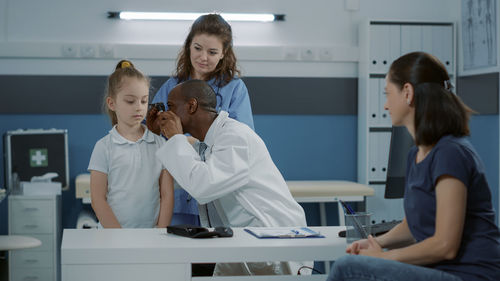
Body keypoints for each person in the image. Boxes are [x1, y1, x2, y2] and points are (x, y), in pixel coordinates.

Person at [328, 52, 500, 281]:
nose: (386, 104)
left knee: (347, 268)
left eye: (388, 94)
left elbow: (445, 245)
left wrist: (382, 258)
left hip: (470, 274)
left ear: (407, 93)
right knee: (352, 265)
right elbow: (412, 227)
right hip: (439, 270)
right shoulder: (415, 156)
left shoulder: (451, 153)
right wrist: (374, 243)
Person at [152, 79, 309, 276]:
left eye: (171, 107)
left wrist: (175, 138)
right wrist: (157, 135)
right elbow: (182, 173)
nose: (167, 114)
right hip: (244, 241)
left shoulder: (235, 136)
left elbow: (203, 187)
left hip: (271, 239)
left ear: (191, 106)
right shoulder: (208, 143)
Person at [147, 13, 254, 226]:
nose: (203, 57)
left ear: (224, 53)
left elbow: (242, 139)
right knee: (179, 252)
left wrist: (188, 141)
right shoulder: (171, 86)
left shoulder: (234, 89)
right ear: (188, 46)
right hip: (176, 191)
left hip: (218, 192)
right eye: (197, 48)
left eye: (212, 52)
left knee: (214, 255)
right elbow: (152, 131)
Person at [88, 60, 174, 228]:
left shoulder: (160, 145)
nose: (139, 108)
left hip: (151, 238)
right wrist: (119, 237)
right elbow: (98, 199)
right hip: (113, 238)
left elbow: (167, 195)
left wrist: (160, 233)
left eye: (143, 101)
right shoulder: (104, 147)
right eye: (130, 101)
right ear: (112, 103)